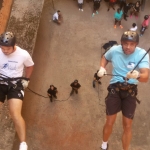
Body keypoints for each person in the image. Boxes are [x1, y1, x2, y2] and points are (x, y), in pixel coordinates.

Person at [97, 31, 149, 150]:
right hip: (115, 88)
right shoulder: (115, 50)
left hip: (130, 91)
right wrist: (102, 67)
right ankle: (104, 145)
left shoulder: (142, 54)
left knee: (127, 126)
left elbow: (146, 76)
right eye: (125, 43)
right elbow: (105, 57)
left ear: (136, 44)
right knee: (109, 121)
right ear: (121, 43)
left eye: (131, 44)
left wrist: (137, 75)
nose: (128, 47)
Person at [0, 32, 34, 150]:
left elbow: (29, 66)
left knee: (15, 114)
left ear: (14, 45)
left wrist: (26, 79)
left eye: (7, 48)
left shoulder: (23, 54)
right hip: (1, 82)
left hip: (15, 84)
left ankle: (23, 143)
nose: (4, 51)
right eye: (2, 48)